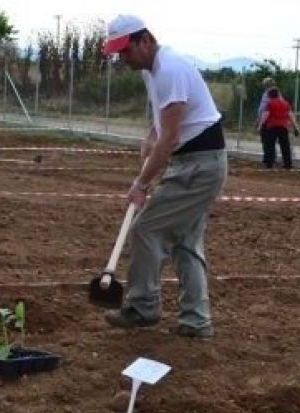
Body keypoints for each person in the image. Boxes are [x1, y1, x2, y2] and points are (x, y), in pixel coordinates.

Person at [102, 14, 227, 339]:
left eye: (125, 50)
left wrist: (141, 184)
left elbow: (170, 137)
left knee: (144, 228)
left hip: (200, 166)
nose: (122, 58)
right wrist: (150, 134)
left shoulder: (170, 69)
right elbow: (166, 119)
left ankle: (143, 308)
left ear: (145, 40)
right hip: (193, 162)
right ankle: (196, 322)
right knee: (185, 242)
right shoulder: (151, 70)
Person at [257, 87, 299, 169]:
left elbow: (265, 115)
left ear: (270, 95)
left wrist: (260, 126)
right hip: (283, 127)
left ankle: (269, 164)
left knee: (270, 145)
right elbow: (291, 116)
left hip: (271, 127)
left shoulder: (269, 103)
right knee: (285, 145)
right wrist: (295, 127)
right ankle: (288, 164)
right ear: (278, 94)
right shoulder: (285, 103)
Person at [257, 77, 276, 163]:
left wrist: (260, 119)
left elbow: (265, 108)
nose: (264, 85)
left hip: (267, 119)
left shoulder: (272, 94)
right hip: (264, 118)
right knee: (265, 139)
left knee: (267, 139)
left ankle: (269, 158)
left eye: (265, 84)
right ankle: (268, 156)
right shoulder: (266, 93)